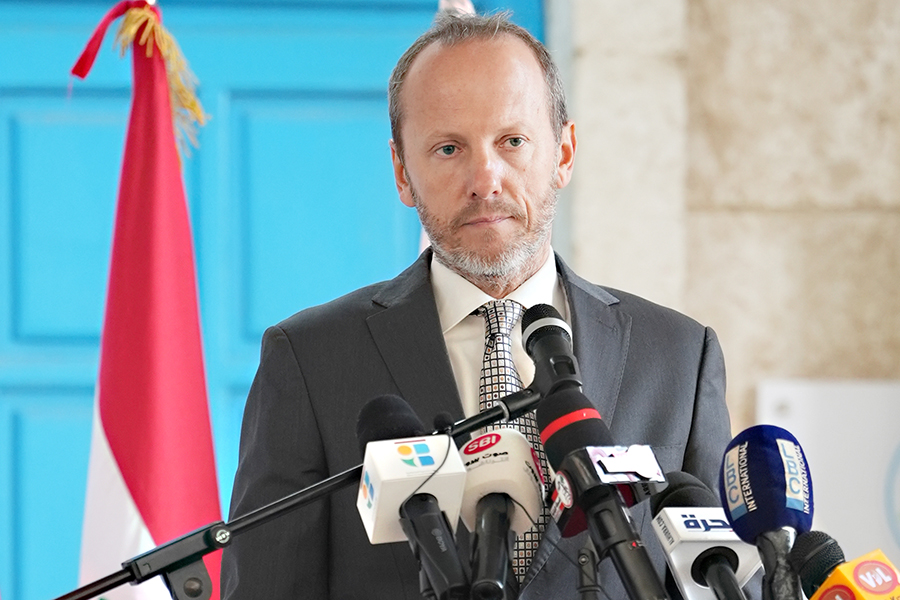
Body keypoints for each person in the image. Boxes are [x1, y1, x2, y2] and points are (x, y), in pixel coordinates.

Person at [220, 11, 731, 600]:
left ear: (564, 153)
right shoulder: (310, 360)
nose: (485, 180)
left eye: (512, 141)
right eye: (448, 148)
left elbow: (722, 577)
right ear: (402, 172)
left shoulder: (678, 356)